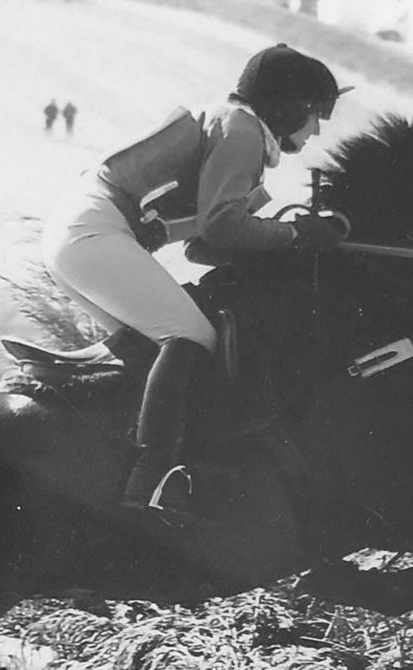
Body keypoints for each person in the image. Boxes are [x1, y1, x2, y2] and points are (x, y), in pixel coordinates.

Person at [41, 44, 349, 523]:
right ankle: (149, 484)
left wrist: (285, 235)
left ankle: (127, 463)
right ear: (286, 105)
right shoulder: (244, 130)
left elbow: (201, 244)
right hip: (96, 231)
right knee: (191, 336)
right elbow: (222, 226)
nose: (317, 128)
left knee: (153, 344)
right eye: (314, 113)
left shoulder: (235, 124)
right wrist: (294, 234)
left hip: (83, 231)